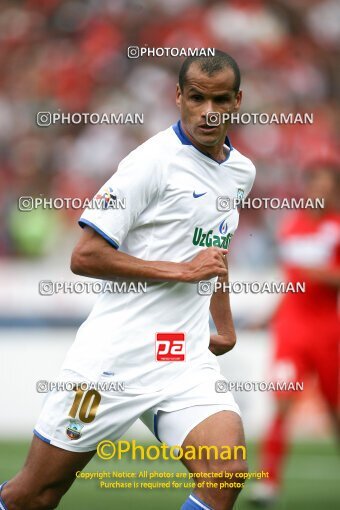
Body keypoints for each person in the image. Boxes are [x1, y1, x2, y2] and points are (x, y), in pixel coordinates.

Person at [0, 50, 256, 510]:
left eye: (220, 100)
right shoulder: (150, 163)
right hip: (113, 361)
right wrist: (180, 271)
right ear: (178, 96)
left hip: (182, 360)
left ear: (237, 101)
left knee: (227, 471)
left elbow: (215, 249)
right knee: (33, 496)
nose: (208, 112)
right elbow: (85, 256)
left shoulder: (241, 172)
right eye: (197, 98)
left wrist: (225, 323)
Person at [250, 160, 340, 506]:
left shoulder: (336, 227)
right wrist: (270, 315)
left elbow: (317, 275)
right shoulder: (291, 226)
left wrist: (320, 273)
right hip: (291, 328)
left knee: (334, 410)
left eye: (328, 185)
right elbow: (291, 283)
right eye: (316, 184)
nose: (322, 191)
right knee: (282, 401)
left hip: (328, 330)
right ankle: (268, 484)